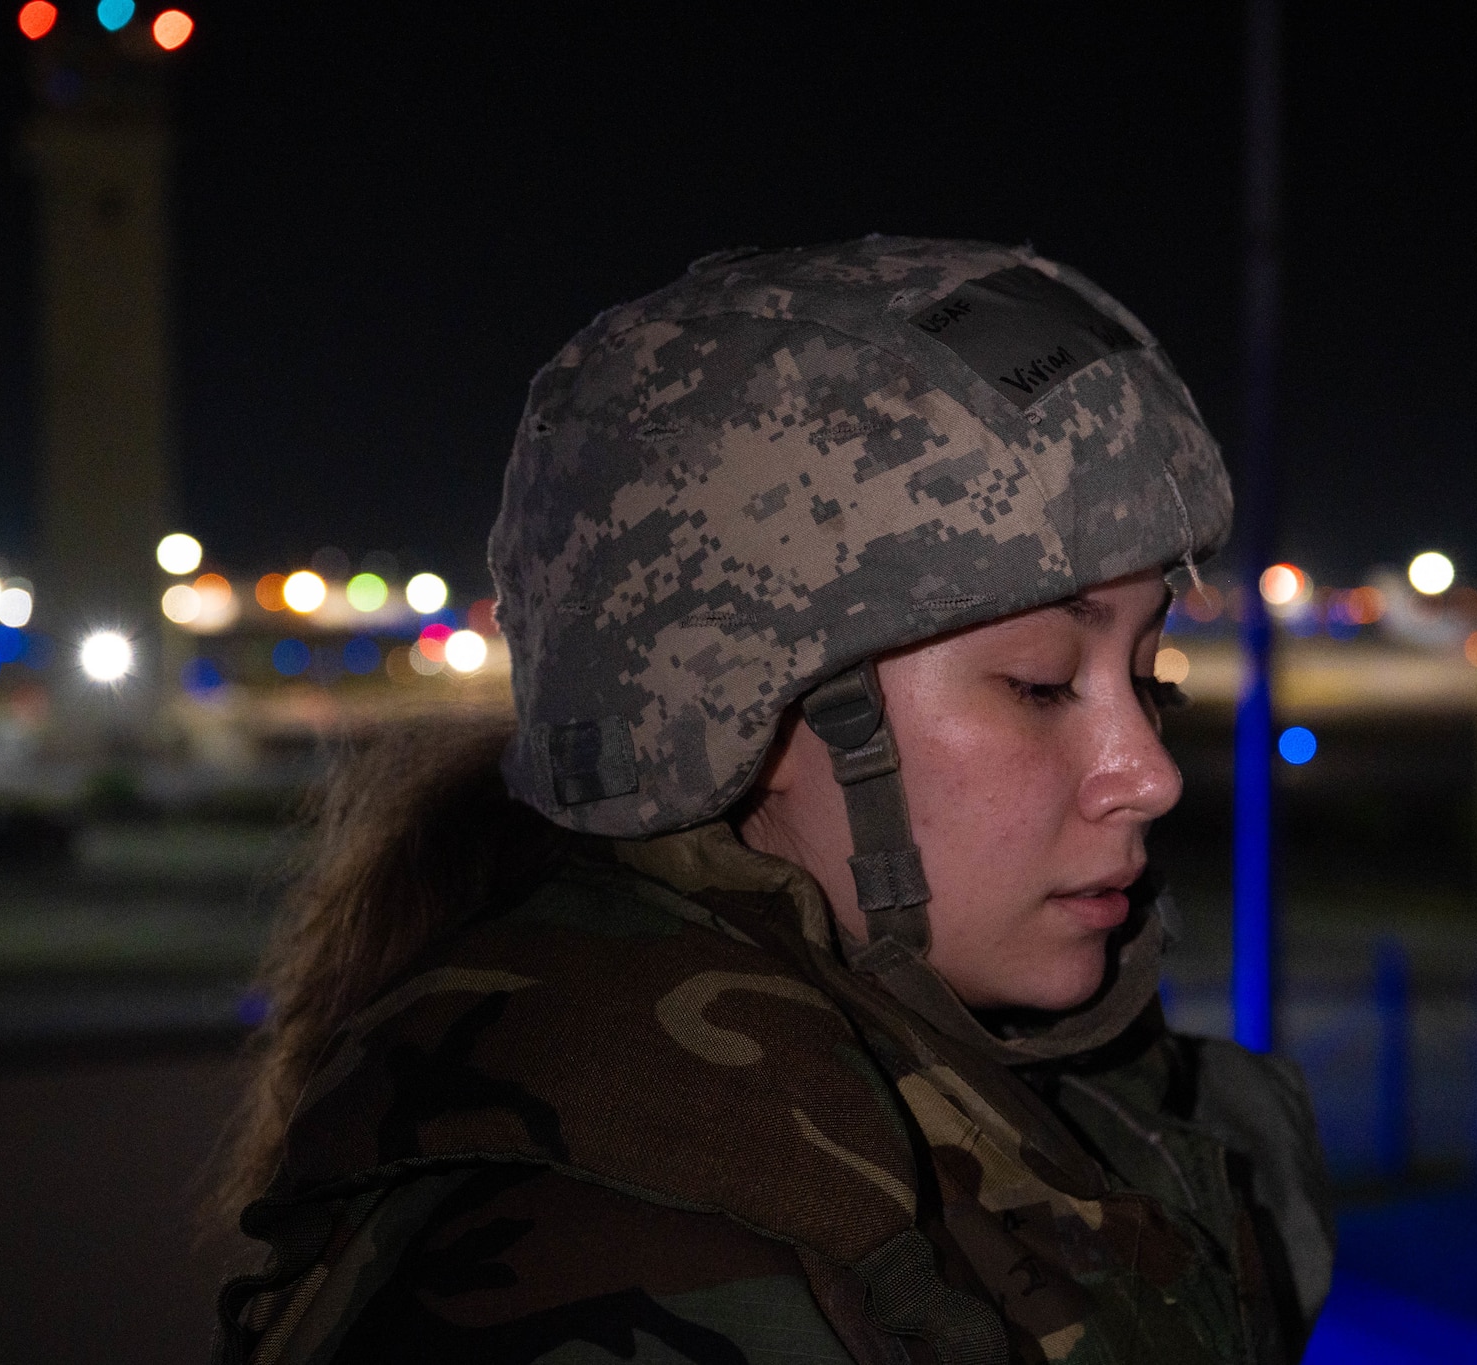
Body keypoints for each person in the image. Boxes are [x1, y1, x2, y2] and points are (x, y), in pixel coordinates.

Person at [214, 236, 1334, 1365]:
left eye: (1150, 678)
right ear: (734, 721)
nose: (1147, 773)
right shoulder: (622, 1258)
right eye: (1041, 683)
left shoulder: (1047, 1084)